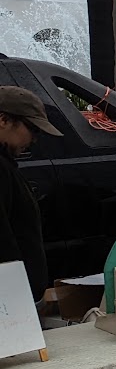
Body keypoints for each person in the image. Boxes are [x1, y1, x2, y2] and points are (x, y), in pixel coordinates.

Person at [0, 86, 62, 301]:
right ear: (4, 120)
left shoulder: (6, 166)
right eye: (32, 129)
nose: (34, 139)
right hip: (10, 303)